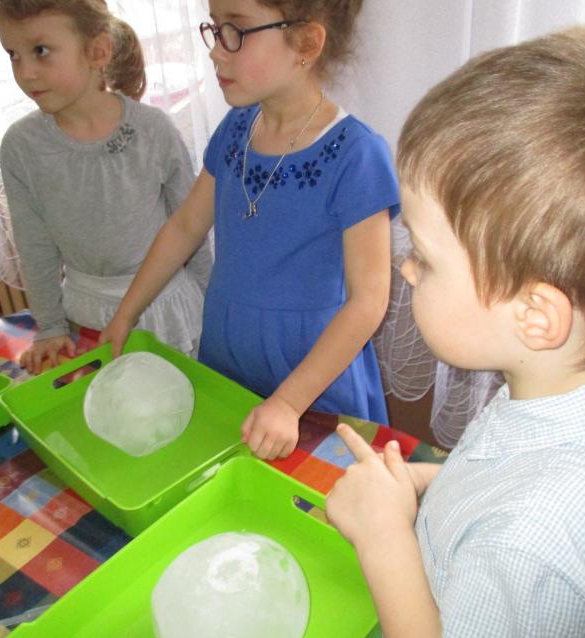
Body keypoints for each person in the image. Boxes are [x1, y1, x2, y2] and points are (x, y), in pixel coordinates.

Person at [326, 20, 585, 637]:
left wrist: (384, 537)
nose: (406, 267)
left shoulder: (535, 550)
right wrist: (431, 483)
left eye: (425, 257)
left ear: (536, 316)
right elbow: (505, 476)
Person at [103, 0, 398, 461]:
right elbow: (184, 227)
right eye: (214, 28)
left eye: (235, 32)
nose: (215, 51)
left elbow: (369, 300)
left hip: (312, 380)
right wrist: (125, 315)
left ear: (306, 44)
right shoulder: (235, 129)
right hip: (229, 356)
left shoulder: (357, 155)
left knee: (315, 496)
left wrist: (288, 403)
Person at [0, 0, 213, 375]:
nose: (25, 72)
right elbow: (35, 246)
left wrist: (210, 301)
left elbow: (191, 228)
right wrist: (50, 327)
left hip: (169, 311)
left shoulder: (153, 130)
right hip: (87, 315)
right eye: (13, 54)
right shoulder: (21, 147)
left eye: (41, 51)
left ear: (97, 51)